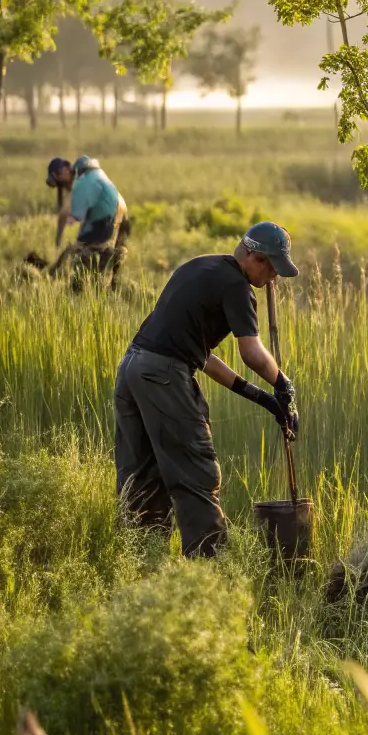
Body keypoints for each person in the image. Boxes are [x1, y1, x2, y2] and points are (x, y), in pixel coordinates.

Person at [113, 222, 301, 558]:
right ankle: (210, 570)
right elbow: (251, 352)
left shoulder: (200, 267)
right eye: (272, 268)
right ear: (255, 258)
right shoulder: (237, 286)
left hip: (133, 370)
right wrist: (282, 384)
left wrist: (263, 398)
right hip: (163, 376)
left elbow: (201, 356)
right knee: (196, 474)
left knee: (142, 476)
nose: (273, 278)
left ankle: (141, 561)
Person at [45, 155, 131, 289]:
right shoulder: (93, 175)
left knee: (89, 254)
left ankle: (90, 289)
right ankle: (112, 288)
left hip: (109, 215)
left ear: (65, 171)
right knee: (107, 256)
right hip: (120, 211)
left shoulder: (82, 181)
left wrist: (60, 238)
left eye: (59, 179)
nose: (61, 185)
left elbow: (70, 214)